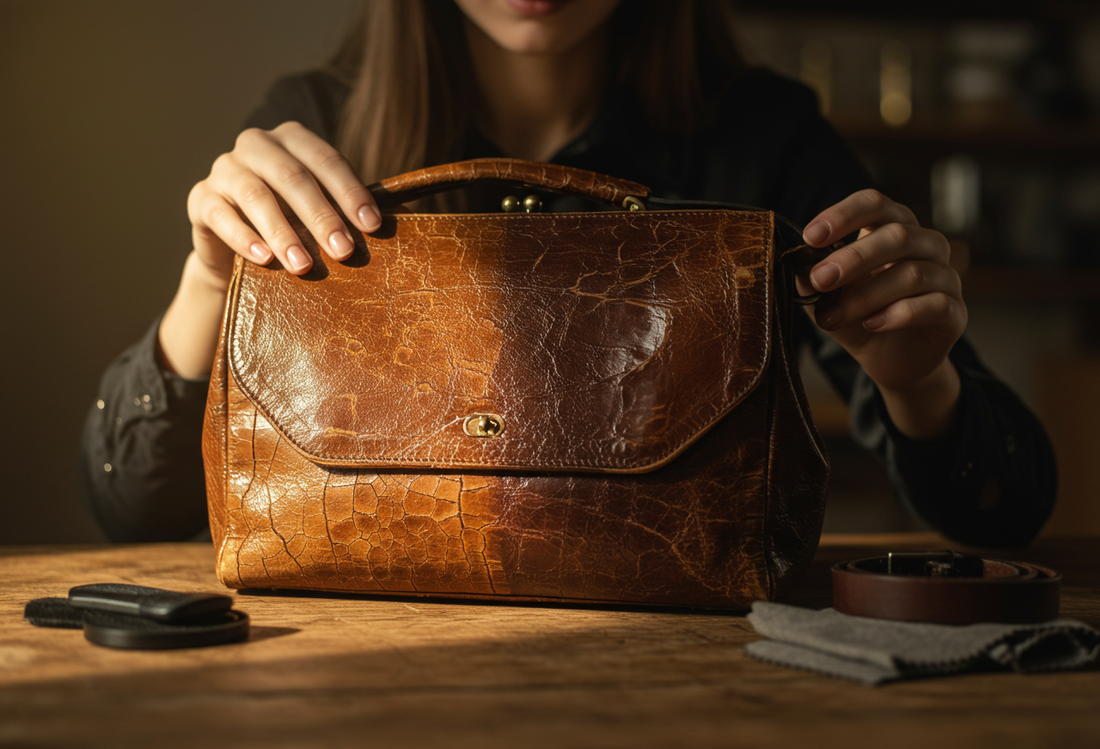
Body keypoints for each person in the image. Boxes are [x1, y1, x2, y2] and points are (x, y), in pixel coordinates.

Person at [81, 0, 1056, 546]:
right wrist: (209, 284)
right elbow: (133, 509)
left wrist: (915, 376)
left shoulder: (765, 139)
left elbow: (1005, 508)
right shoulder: (314, 126)